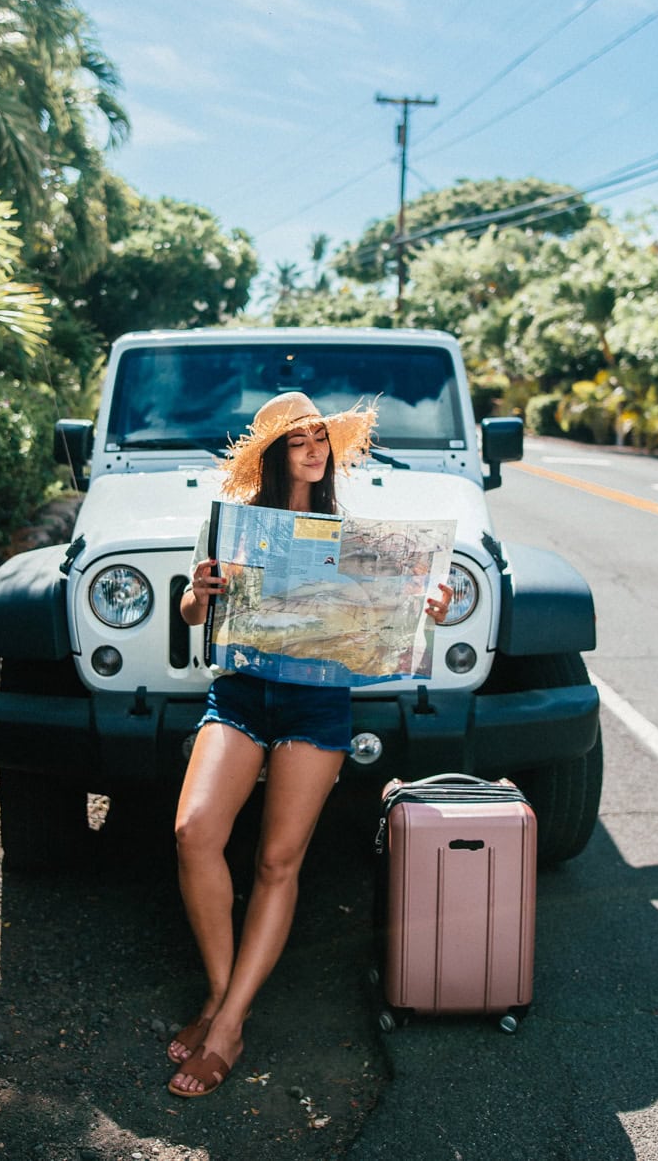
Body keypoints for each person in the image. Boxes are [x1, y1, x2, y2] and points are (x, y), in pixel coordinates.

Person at [167, 391, 452, 1098]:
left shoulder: (351, 532)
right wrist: (198, 592)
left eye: (320, 438)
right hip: (238, 692)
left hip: (318, 700)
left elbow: (389, 614)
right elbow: (190, 608)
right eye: (298, 441)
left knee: (277, 859)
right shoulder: (236, 526)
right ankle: (219, 989)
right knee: (194, 831)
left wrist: (429, 605)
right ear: (274, 455)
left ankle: (228, 1022)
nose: (313, 449)